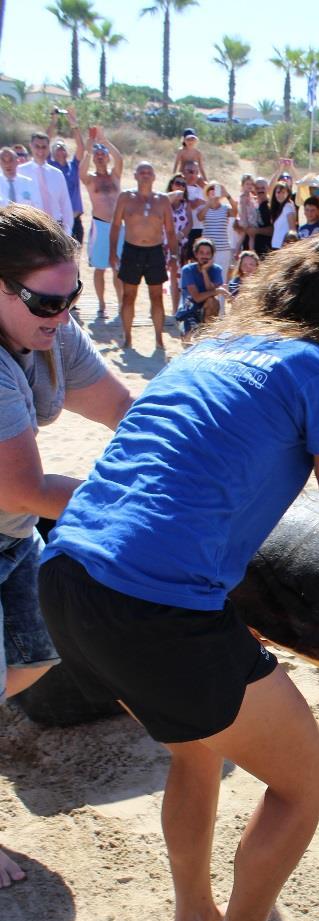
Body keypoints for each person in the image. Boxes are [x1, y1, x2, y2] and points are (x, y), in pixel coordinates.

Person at [38, 236, 319, 921]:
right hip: (155, 608)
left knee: (194, 749)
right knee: (307, 776)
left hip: (68, 580)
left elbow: (195, 488)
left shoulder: (211, 349)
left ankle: (192, 918)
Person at [0, 205, 131, 884]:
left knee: (36, 653)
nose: (62, 312)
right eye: (46, 300)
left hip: (9, 535)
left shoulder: (52, 331)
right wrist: (134, 505)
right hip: (12, 512)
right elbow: (24, 485)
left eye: (71, 295)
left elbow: (122, 412)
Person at [110, 162, 176, 351]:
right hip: (132, 250)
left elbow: (170, 231)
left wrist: (174, 255)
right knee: (129, 295)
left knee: (157, 297)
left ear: (154, 177)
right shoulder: (125, 197)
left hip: (155, 251)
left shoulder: (162, 200)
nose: (145, 175)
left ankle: (158, 338)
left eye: (149, 172)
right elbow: (115, 225)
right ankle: (128, 337)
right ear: (136, 175)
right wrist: (112, 251)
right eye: (142, 172)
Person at [80, 127, 125, 317]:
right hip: (99, 226)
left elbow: (120, 159)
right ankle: (101, 304)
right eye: (97, 155)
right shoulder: (91, 179)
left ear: (107, 158)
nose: (99, 157)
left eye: (102, 154)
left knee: (118, 267)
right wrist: (89, 149)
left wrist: (105, 142)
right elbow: (81, 170)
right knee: (100, 268)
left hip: (117, 226)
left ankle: (122, 303)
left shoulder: (114, 176)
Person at [18, 132, 73, 233]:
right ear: (30, 146)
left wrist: (67, 232)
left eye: (44, 147)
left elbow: (66, 205)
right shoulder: (20, 172)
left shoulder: (57, 174)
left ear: (48, 148)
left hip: (56, 228)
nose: (40, 150)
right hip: (31, 229)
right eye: (37, 146)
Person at [47, 107, 85, 244]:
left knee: (76, 260)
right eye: (57, 147)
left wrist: (74, 124)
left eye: (62, 147)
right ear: (52, 152)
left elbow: (81, 147)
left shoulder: (73, 166)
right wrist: (54, 121)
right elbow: (45, 141)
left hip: (75, 221)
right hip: (57, 222)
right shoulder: (49, 167)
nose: (60, 150)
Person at [176, 237, 225, 339]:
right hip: (189, 309)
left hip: (207, 308)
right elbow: (197, 297)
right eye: (201, 253)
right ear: (196, 254)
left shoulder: (216, 270)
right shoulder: (188, 270)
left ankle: (207, 332)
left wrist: (204, 271)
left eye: (208, 253)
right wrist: (216, 291)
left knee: (212, 301)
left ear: (212, 255)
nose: (205, 256)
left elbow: (210, 290)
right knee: (188, 341)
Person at [195, 181, 237, 280]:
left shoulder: (225, 208)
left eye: (216, 189)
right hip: (207, 250)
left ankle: (221, 296)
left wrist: (227, 195)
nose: (213, 191)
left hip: (223, 248)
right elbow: (200, 217)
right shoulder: (203, 207)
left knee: (221, 278)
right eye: (211, 189)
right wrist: (209, 203)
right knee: (206, 276)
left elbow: (235, 212)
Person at [165, 175, 192, 314]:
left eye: (183, 184)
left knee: (177, 278)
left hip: (180, 245)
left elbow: (190, 223)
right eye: (177, 183)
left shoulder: (186, 204)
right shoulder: (164, 201)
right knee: (162, 276)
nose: (180, 186)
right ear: (171, 185)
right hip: (165, 244)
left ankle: (175, 309)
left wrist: (180, 235)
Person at [268, 178, 297, 251]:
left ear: (288, 193)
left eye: (283, 192)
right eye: (278, 192)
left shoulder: (288, 206)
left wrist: (289, 245)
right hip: (276, 246)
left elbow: (292, 229)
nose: (280, 195)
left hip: (283, 247)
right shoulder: (281, 207)